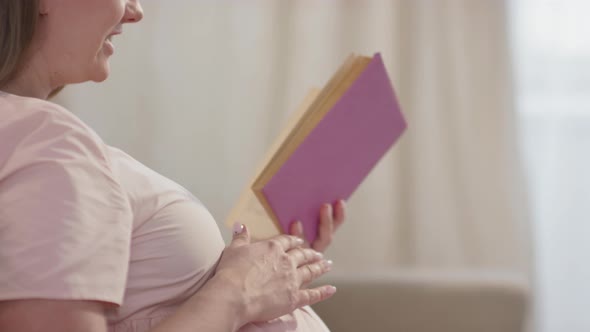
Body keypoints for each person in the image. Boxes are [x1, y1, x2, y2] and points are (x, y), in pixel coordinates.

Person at [0, 1, 347, 331]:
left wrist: (271, 269)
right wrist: (238, 292)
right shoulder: (47, 139)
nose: (135, 12)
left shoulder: (30, 136)